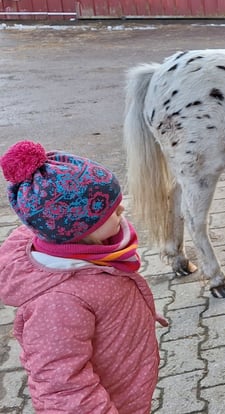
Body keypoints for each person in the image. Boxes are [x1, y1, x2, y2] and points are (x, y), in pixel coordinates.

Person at [0, 140, 167, 414]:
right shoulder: (58, 303)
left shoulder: (85, 249)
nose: (122, 210)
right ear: (78, 229)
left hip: (126, 385)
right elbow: (63, 388)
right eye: (110, 210)